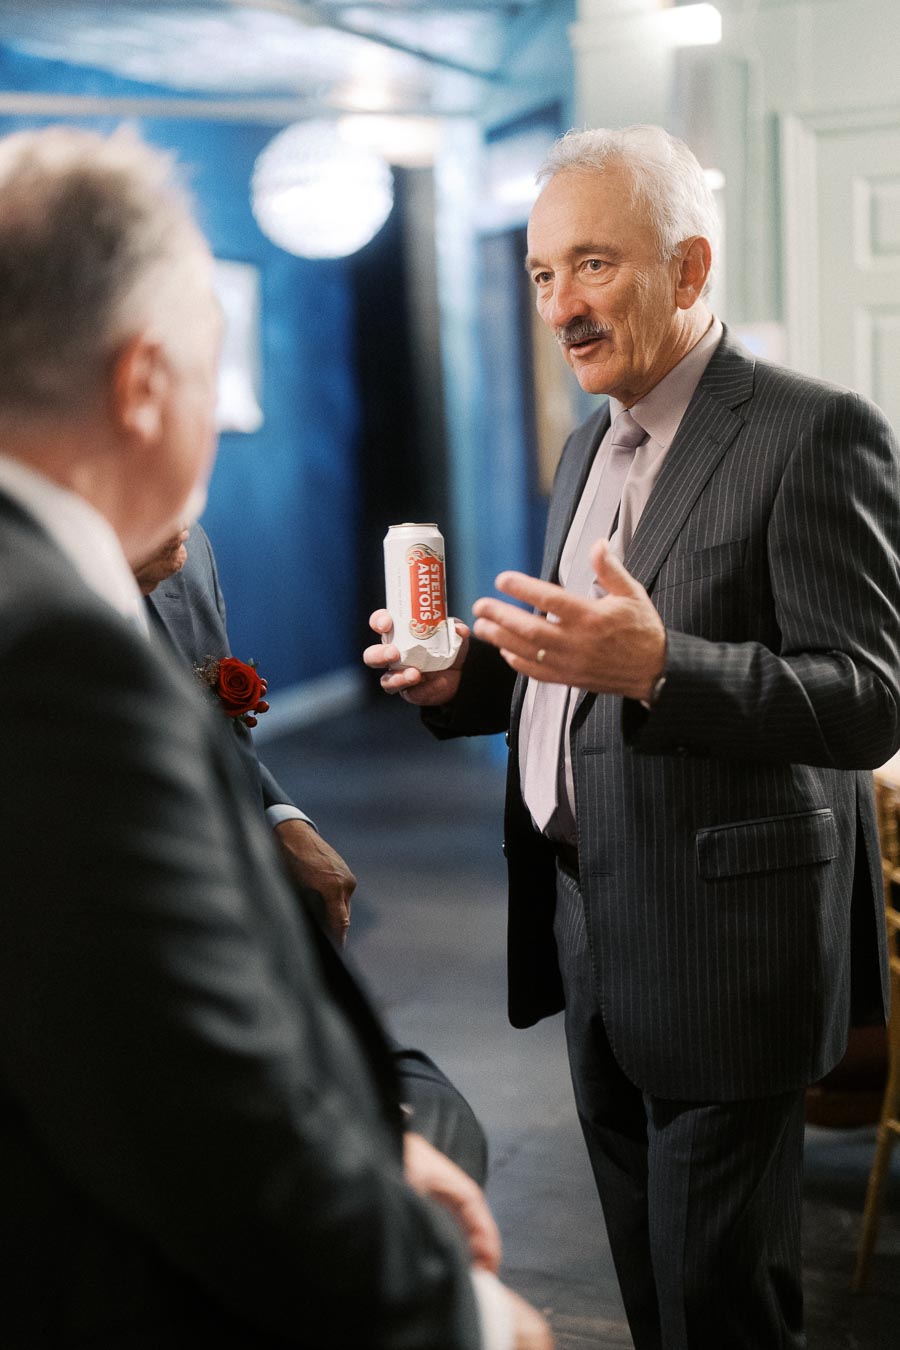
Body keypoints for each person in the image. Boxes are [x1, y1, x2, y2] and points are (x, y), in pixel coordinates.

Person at [0, 124, 552, 1349]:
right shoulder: (54, 660)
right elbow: (194, 1108)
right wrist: (464, 1315)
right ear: (144, 387)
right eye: (213, 365)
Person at [365, 123, 900, 1350]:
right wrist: (456, 682)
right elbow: (580, 675)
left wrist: (667, 667)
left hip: (729, 948)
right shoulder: (587, 441)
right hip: (589, 926)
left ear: (691, 270)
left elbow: (872, 695)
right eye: (545, 273)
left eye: (594, 265)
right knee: (654, 1297)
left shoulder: (813, 432)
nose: (562, 306)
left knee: (719, 1308)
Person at [136, 521, 490, 1185]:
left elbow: (215, 718)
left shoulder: (186, 546)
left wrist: (278, 817)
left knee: (435, 1121)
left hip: (237, 936)